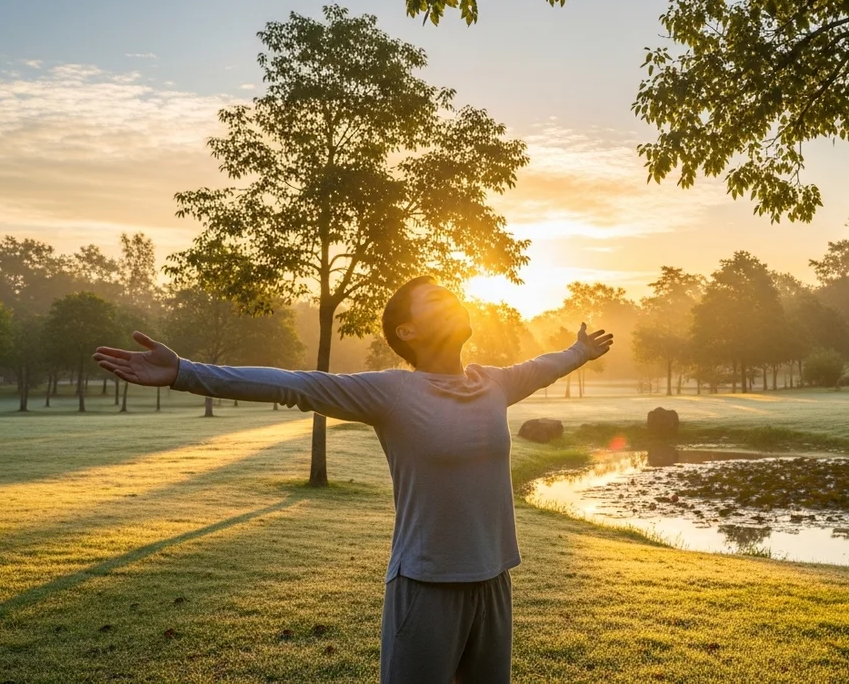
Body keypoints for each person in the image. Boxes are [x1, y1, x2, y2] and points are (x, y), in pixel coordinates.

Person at [92, 275, 612, 684]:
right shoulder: (391, 392)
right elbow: (296, 385)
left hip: (495, 580)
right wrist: (185, 372)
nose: (452, 300)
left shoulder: (493, 383)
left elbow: (544, 365)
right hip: (426, 585)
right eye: (435, 300)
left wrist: (579, 352)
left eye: (452, 293)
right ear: (407, 332)